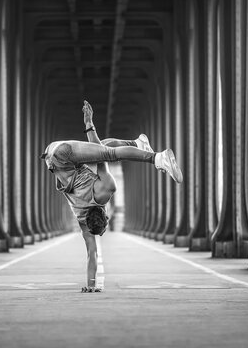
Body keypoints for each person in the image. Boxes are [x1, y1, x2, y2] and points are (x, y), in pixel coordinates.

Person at [40, 101, 183, 292]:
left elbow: (103, 156)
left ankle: (157, 158)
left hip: (63, 155)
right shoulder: (82, 220)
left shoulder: (104, 191)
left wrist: (89, 124)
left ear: (105, 214)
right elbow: (92, 253)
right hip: (53, 157)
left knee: (108, 152)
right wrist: (91, 285)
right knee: (103, 146)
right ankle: (137, 144)